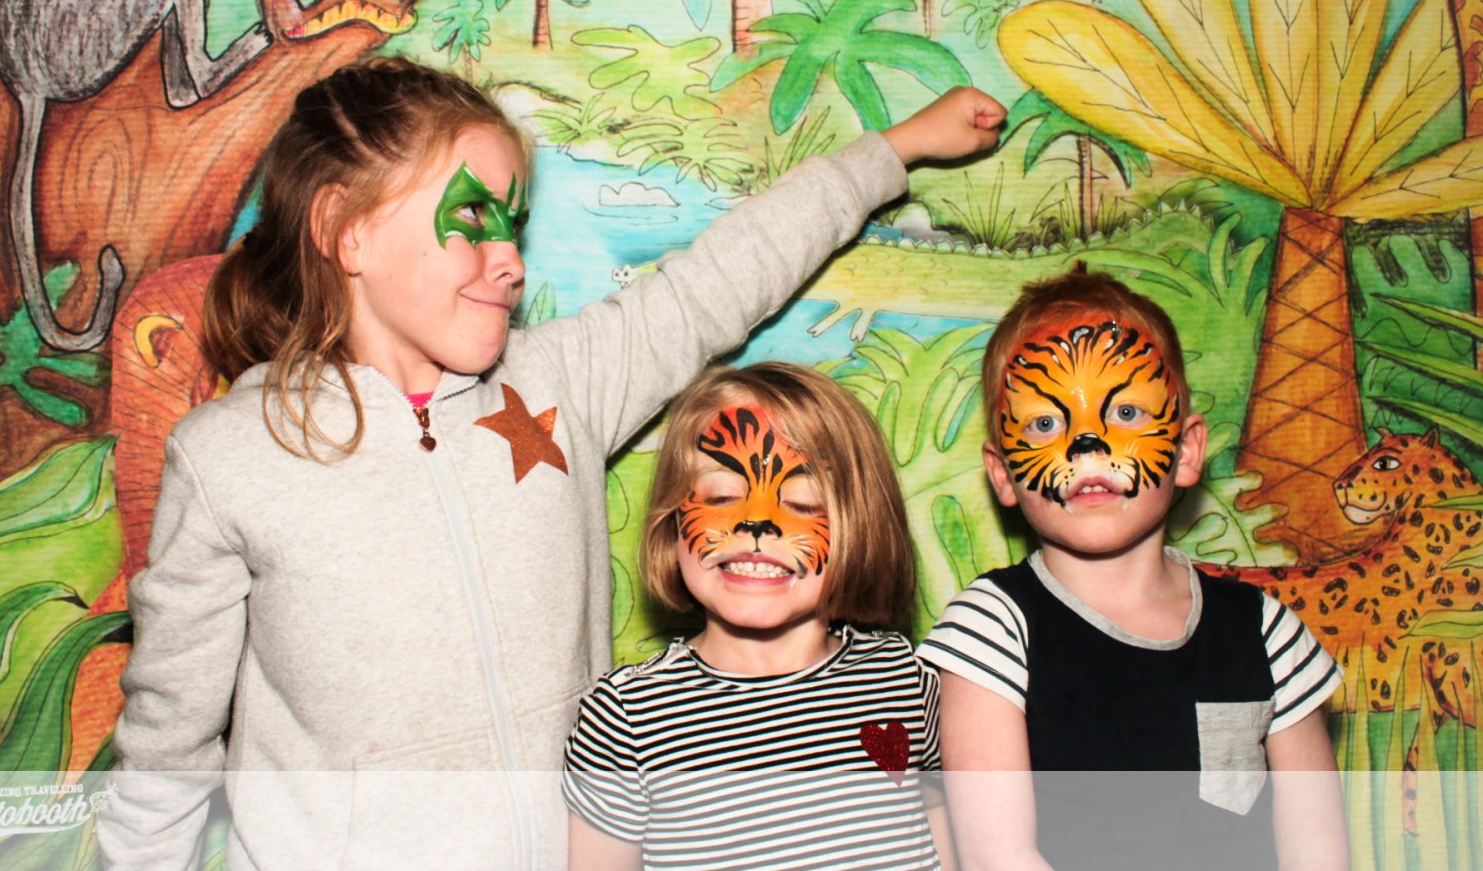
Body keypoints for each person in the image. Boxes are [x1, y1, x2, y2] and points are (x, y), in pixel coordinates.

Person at [96, 58, 1003, 870]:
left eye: (515, 228)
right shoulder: (229, 456)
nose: (509, 262)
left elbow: (721, 278)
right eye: (472, 220)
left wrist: (895, 151)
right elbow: (167, 744)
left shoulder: (558, 383)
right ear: (347, 230)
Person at [916, 267, 1348, 871]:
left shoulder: (1267, 631)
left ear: (1187, 451)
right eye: (1045, 423)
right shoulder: (992, 628)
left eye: (1125, 412)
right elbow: (998, 856)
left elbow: (1319, 850)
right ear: (1002, 473)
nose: (1087, 444)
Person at [563, 363, 952, 870]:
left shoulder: (906, 680)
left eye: (802, 502)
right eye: (722, 496)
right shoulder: (626, 717)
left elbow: (941, 836)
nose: (757, 523)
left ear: (863, 527)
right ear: (672, 522)